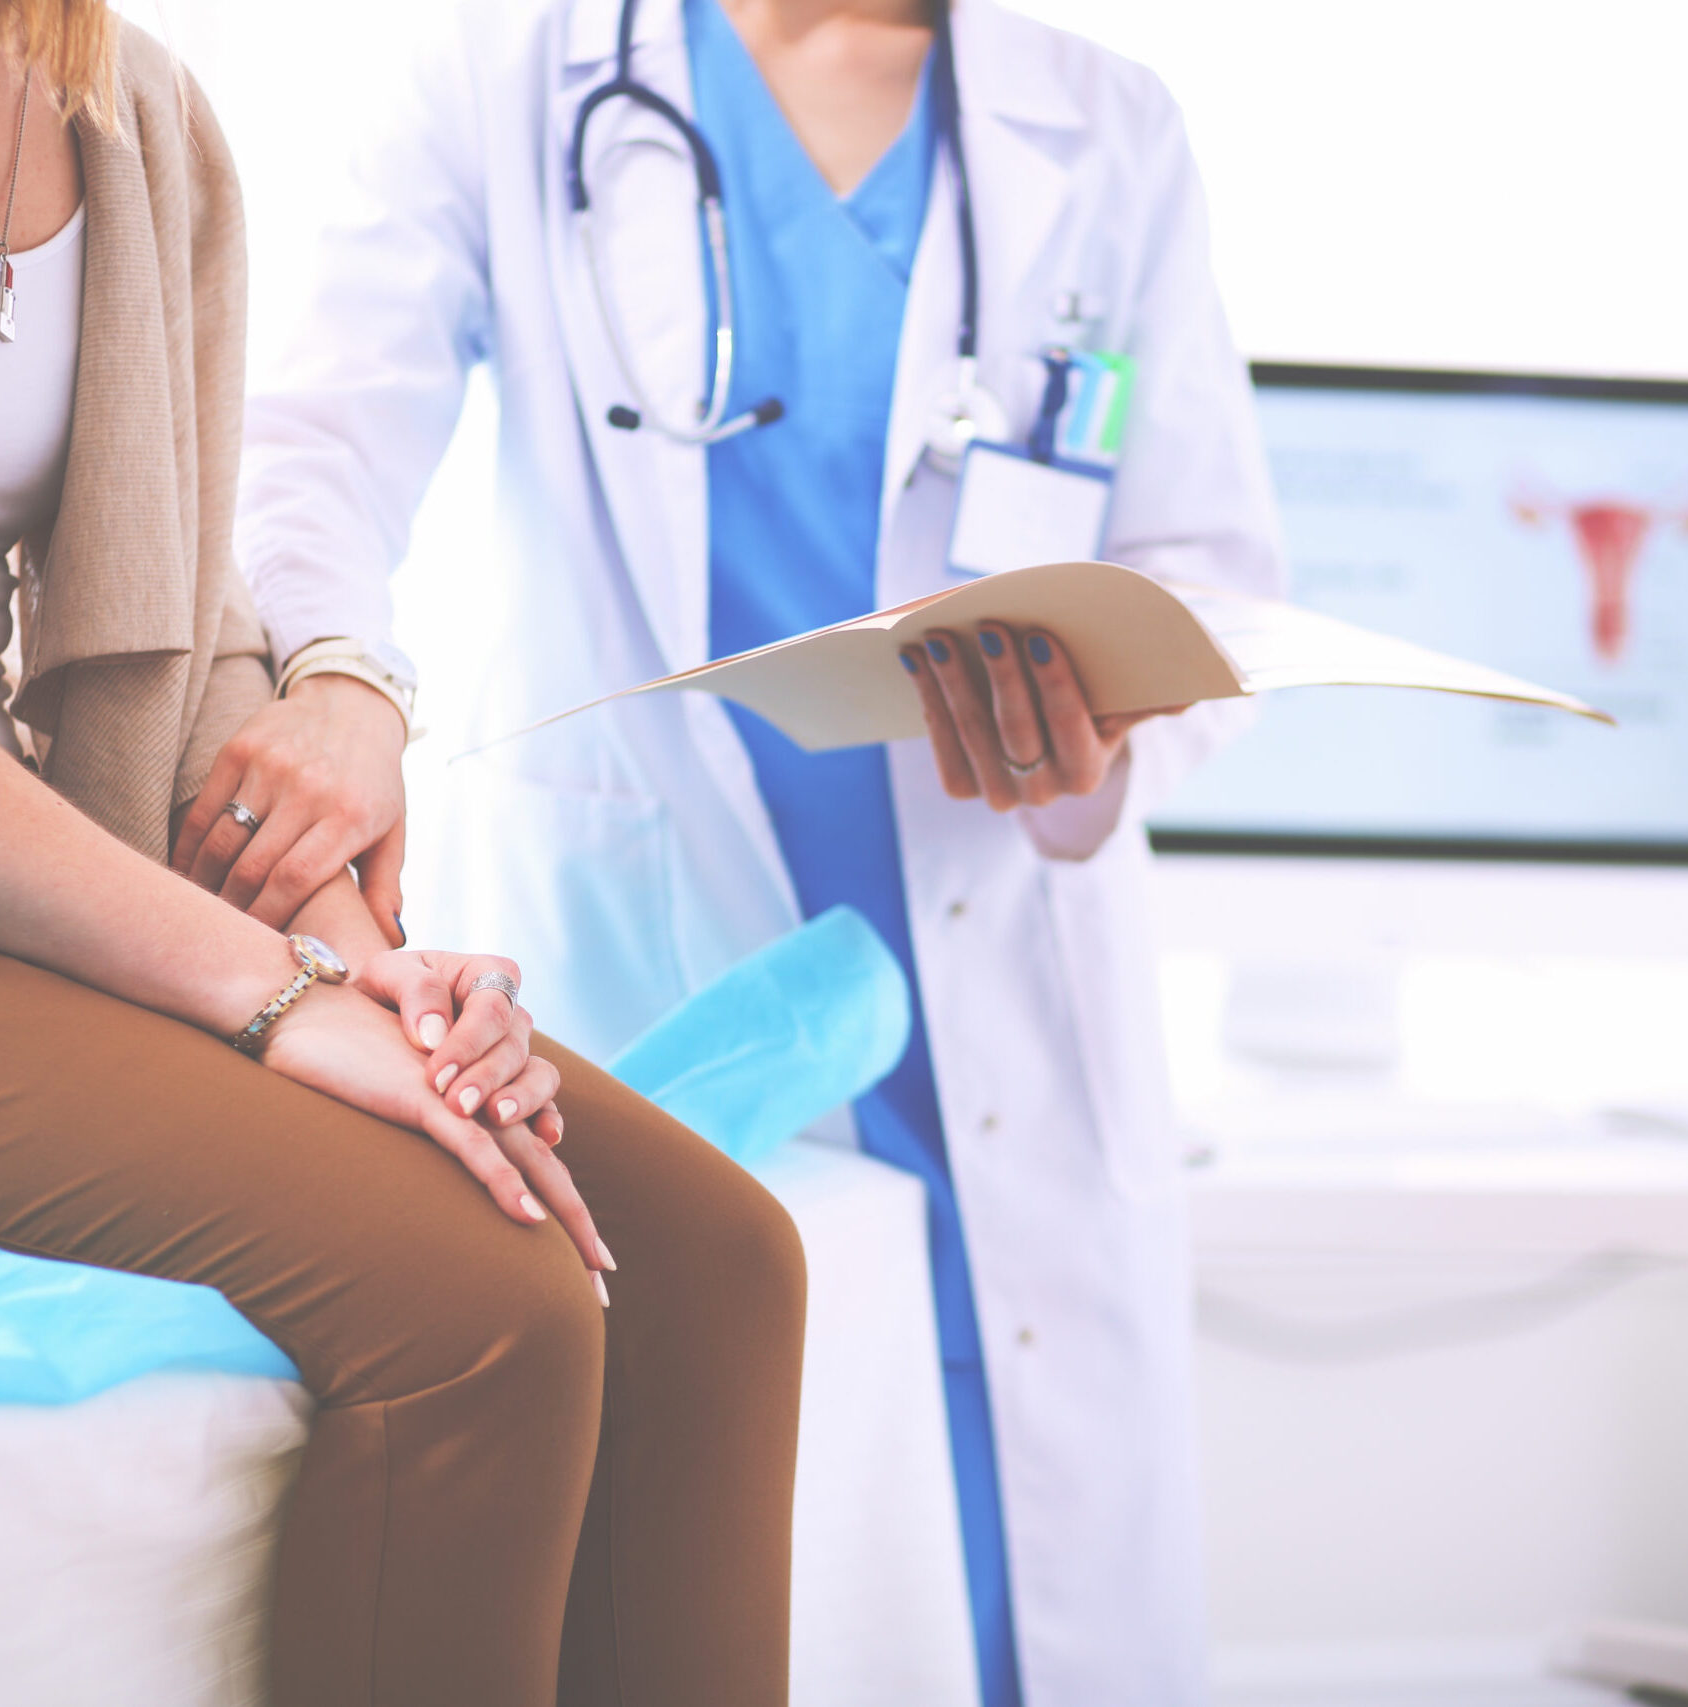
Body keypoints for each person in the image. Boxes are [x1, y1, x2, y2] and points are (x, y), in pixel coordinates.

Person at [0, 1, 804, 1703]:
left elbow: (183, 642)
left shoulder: (141, 115)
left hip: (27, 889)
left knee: (714, 1264)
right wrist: (279, 997)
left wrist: (358, 966)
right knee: (485, 1297)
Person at [215, 0, 1284, 1701]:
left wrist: (1115, 720)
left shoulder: (1105, 126)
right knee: (748, 1566)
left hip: (997, 964)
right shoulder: (509, 83)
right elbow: (311, 442)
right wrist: (341, 673)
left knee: (1020, 1572)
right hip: (672, 967)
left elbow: (1211, 565)